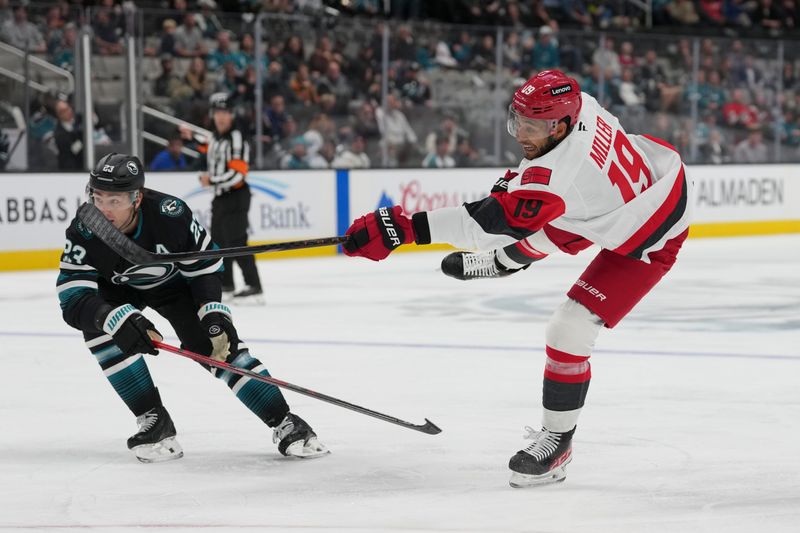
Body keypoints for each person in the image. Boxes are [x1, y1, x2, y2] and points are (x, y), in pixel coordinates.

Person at [342, 70, 691, 488]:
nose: (521, 132)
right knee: (559, 220)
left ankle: (558, 443)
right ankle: (508, 261)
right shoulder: (581, 107)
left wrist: (402, 228)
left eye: (532, 126)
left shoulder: (561, 173)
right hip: (624, 194)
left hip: (649, 234)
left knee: (568, 330)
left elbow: (486, 225)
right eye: (518, 120)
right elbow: (539, 189)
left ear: (560, 125)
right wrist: (515, 187)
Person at [56, 153, 328, 463]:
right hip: (116, 291)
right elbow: (72, 296)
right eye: (98, 197)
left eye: (115, 201)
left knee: (217, 346)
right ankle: (155, 421)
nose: (104, 209)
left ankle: (286, 422)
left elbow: (205, 268)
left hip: (176, 289)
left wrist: (212, 312)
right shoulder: (85, 228)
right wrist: (114, 319)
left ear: (137, 198)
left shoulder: (170, 215)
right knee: (100, 332)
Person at [201, 92, 264, 303]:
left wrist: (213, 181)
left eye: (225, 112)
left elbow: (239, 174)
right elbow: (206, 146)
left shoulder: (236, 137)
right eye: (218, 112)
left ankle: (254, 286)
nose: (221, 117)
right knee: (219, 244)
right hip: (220, 198)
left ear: (232, 115)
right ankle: (227, 285)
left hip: (236, 196)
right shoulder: (215, 137)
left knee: (237, 242)